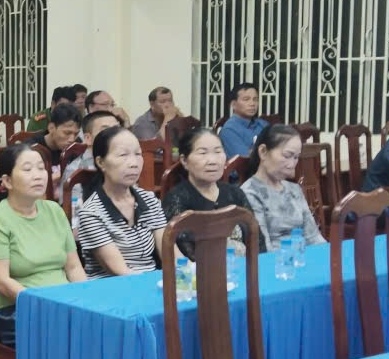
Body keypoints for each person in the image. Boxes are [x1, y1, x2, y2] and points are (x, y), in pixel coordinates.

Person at [0, 143, 86, 345]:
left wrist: (87, 301)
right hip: (19, 310)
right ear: (7, 181)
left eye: (41, 168)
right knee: (75, 340)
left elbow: (73, 268)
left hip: (64, 304)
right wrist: (42, 304)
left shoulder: (54, 210)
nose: (38, 176)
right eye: (27, 170)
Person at [75, 126, 168, 279]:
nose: (134, 163)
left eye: (138, 154)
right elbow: (120, 272)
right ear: (101, 162)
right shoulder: (91, 213)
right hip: (114, 287)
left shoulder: (150, 200)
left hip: (152, 282)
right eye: (123, 155)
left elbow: (170, 254)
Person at [161, 127, 264, 260]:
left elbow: (256, 239)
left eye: (218, 152)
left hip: (246, 268)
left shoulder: (235, 193)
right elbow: (186, 252)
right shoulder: (176, 198)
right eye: (202, 153)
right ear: (184, 160)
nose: (213, 161)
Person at [242, 124, 325, 250]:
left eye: (296, 157)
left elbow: (314, 237)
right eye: (287, 156)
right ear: (263, 151)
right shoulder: (250, 193)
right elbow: (262, 249)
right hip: (277, 259)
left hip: (303, 257)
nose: (292, 164)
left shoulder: (294, 190)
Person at [61, 109, 121, 213]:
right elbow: (74, 212)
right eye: (105, 130)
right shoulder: (76, 170)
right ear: (88, 138)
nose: (114, 135)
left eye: (117, 129)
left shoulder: (124, 163)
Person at [218, 82, 267, 160]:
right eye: (246, 99)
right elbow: (245, 160)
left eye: (255, 99)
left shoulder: (263, 124)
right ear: (233, 104)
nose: (252, 104)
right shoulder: (229, 130)